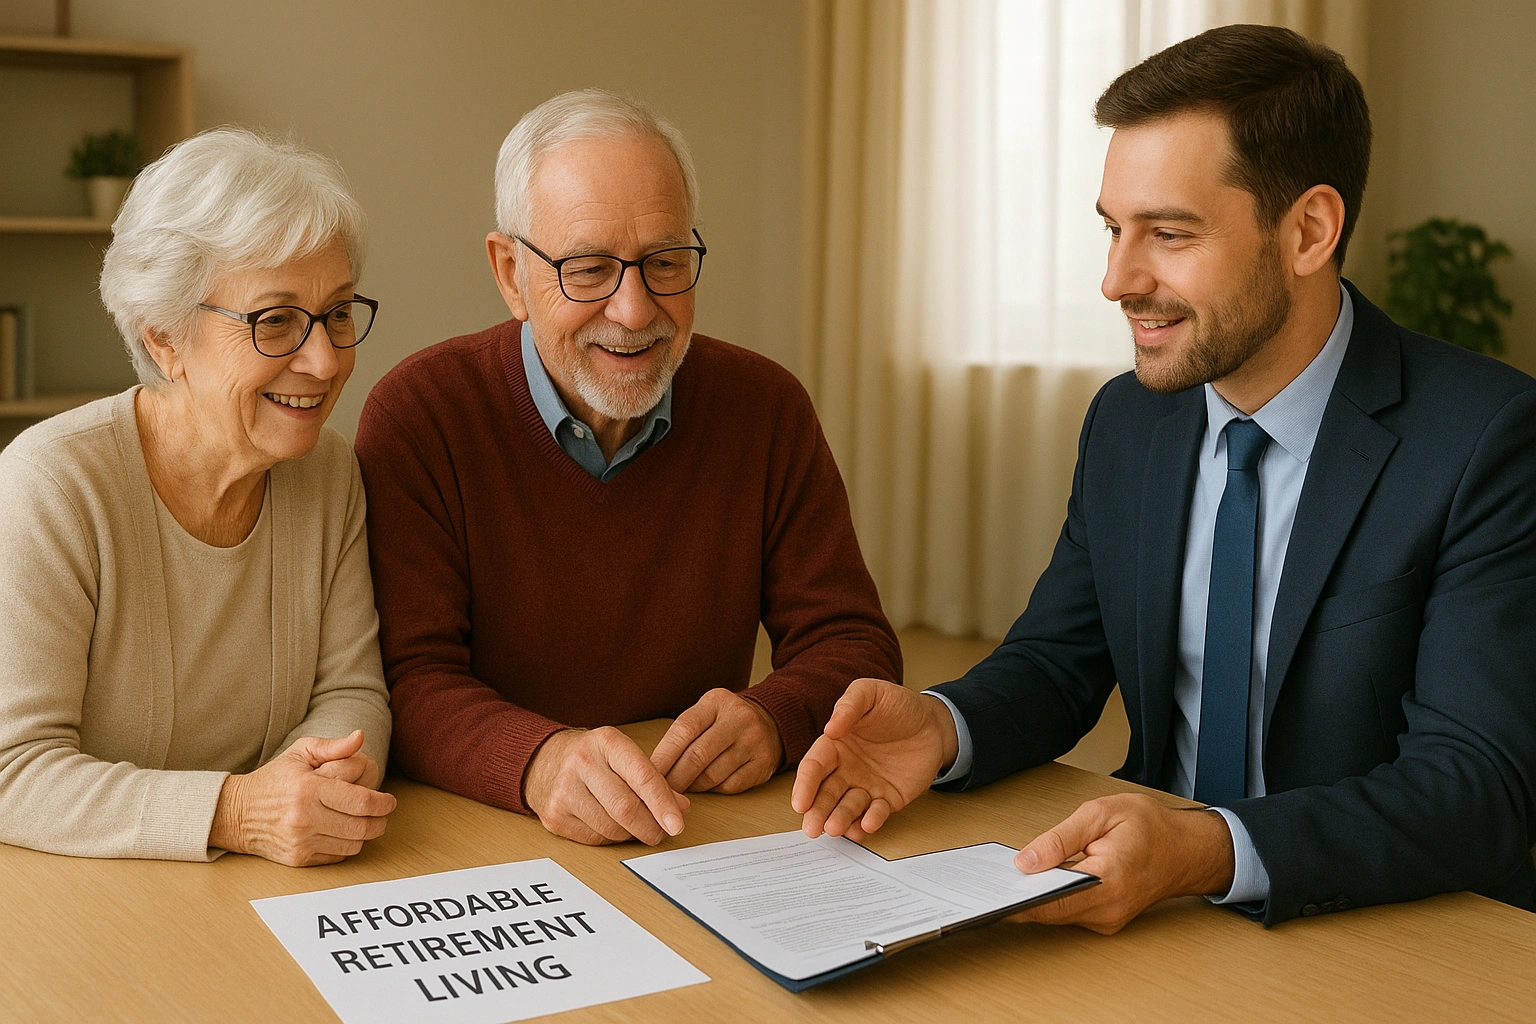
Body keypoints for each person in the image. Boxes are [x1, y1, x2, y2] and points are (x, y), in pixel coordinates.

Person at [793, 24, 1536, 929]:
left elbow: (1475, 788)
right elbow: (1057, 662)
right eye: (1113, 229)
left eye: (1169, 234)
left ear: (1309, 230)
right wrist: (946, 725)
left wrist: (1206, 849)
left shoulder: (1485, 438)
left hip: (1374, 927)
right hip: (1152, 916)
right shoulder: (1129, 418)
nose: (1116, 279)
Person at [355, 89, 900, 847]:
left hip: (691, 825)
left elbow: (855, 642)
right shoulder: (422, 416)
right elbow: (405, 682)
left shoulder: (764, 407)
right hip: (484, 832)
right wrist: (539, 761)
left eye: (665, 262)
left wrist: (776, 715)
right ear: (510, 273)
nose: (636, 309)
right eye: (588, 269)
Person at [0, 128, 396, 865]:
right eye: (275, 321)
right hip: (79, 908)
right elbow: (12, 771)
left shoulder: (328, 471)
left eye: (338, 313)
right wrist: (239, 812)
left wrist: (328, 781)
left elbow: (352, 691)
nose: (324, 360)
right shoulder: (51, 486)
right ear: (164, 339)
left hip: (261, 892)